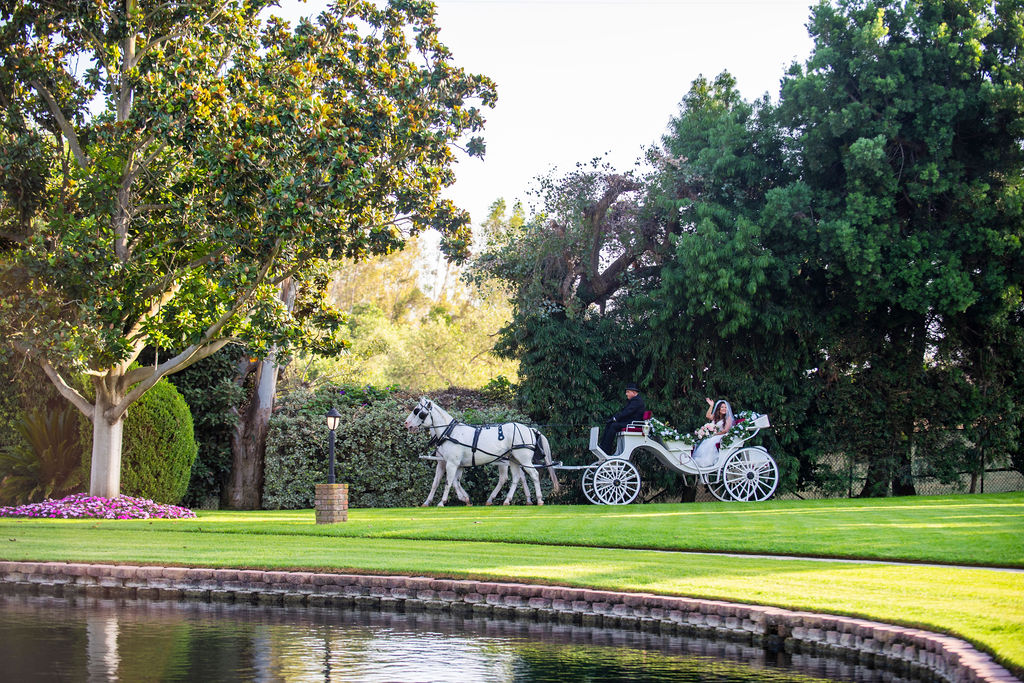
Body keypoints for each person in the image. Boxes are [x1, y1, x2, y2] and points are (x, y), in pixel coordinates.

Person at [599, 382, 646, 455]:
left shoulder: (637, 401)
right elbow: (626, 412)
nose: (626, 394)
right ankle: (603, 447)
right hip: (630, 422)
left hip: (633, 424)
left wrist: (615, 418)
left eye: (628, 392)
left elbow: (627, 412)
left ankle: (606, 450)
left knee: (613, 426)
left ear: (634, 392)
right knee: (610, 424)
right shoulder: (634, 400)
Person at [692, 398, 734, 467]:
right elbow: (708, 416)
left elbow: (725, 430)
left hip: (722, 435)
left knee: (710, 441)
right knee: (706, 440)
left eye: (725, 407)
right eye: (722, 407)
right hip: (715, 435)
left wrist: (715, 434)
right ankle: (701, 460)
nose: (724, 409)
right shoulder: (716, 417)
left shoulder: (728, 418)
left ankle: (708, 461)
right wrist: (711, 406)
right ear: (719, 408)